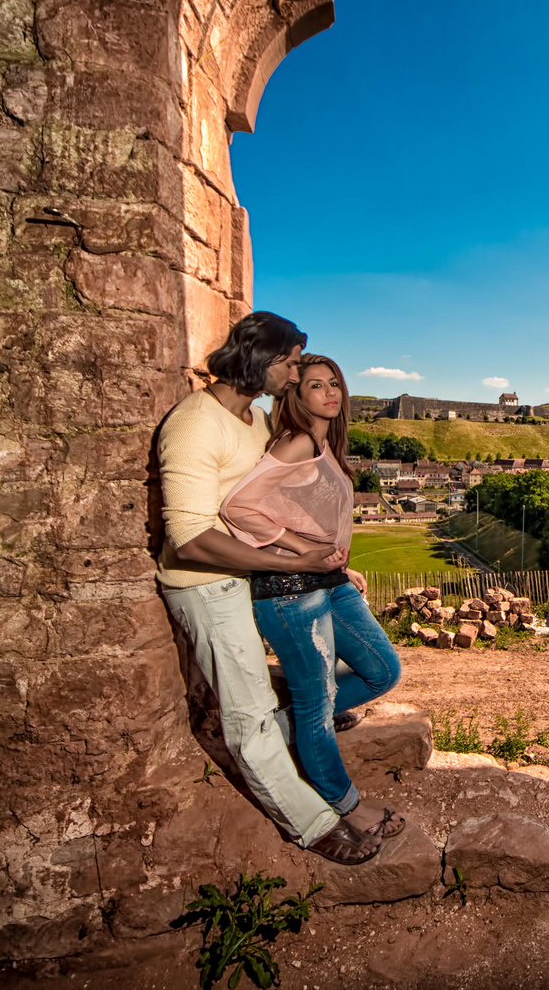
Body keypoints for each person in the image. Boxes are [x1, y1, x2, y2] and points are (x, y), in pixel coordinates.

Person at [154, 313, 381, 865]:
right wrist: (289, 560)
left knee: (308, 689)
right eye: (289, 360)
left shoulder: (254, 421)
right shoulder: (194, 424)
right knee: (248, 714)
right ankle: (313, 825)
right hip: (205, 585)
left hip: (251, 577)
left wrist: (319, 565)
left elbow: (272, 505)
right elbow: (188, 538)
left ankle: (307, 721)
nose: (295, 370)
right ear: (258, 357)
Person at [219, 354, 406, 845]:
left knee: (383, 669)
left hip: (328, 581)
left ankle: (284, 728)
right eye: (316, 385)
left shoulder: (324, 445)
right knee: (318, 703)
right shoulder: (299, 441)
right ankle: (345, 804)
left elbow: (306, 511)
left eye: (335, 384)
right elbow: (239, 506)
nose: (330, 393)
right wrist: (304, 549)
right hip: (289, 591)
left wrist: (339, 563)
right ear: (296, 396)